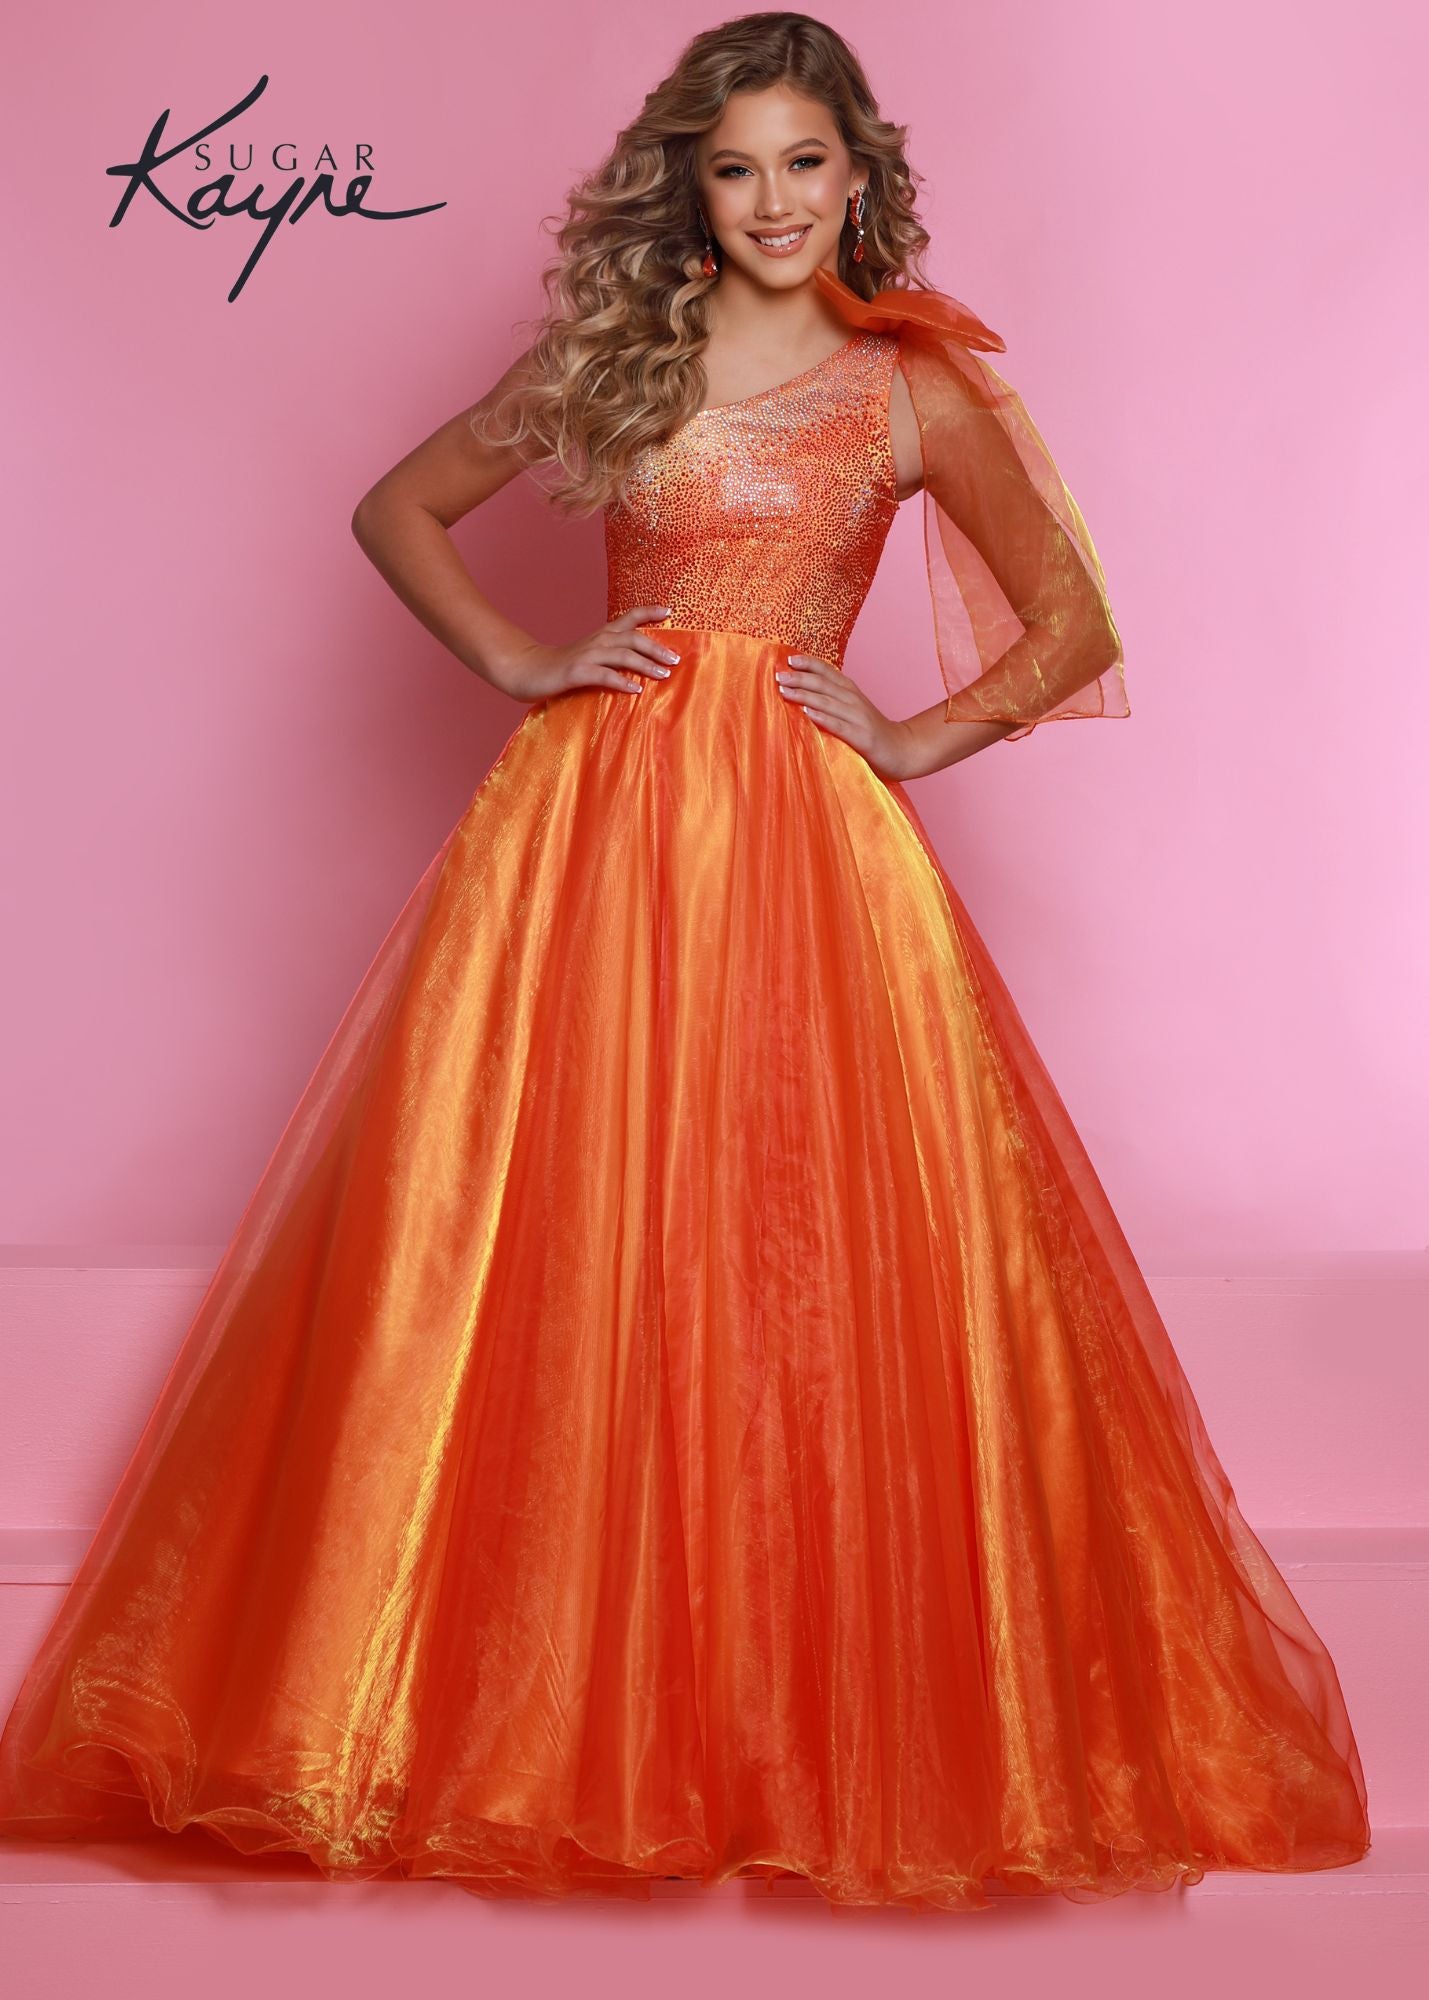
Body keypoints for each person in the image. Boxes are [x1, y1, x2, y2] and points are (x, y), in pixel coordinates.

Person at [0, 12, 1369, 1913]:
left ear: (859, 175)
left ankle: (790, 1726)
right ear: (688, 186)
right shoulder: (618, 351)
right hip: (592, 832)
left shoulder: (912, 388)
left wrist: (917, 735)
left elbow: (1070, 622)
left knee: (803, 1243)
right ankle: (511, 1716)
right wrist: (517, 658)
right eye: (736, 168)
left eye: (805, 162)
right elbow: (398, 505)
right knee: (557, 1226)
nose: (773, 200)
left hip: (806, 846)